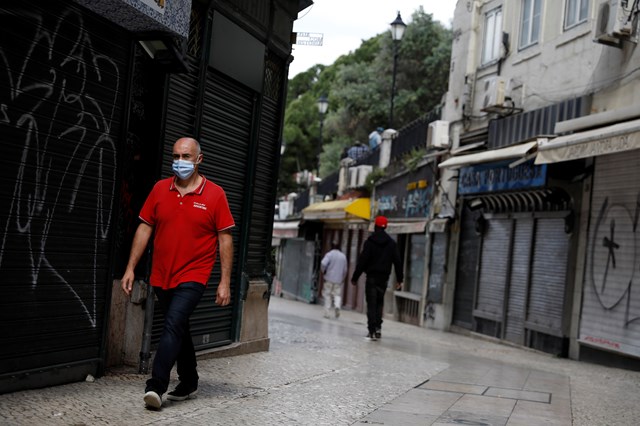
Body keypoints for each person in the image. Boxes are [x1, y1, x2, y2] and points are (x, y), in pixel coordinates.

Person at [121, 137, 235, 409]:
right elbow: (145, 228)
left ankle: (156, 387)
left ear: (199, 159)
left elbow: (225, 239)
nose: (180, 162)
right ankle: (189, 380)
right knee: (179, 327)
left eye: (186, 156)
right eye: (176, 156)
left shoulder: (215, 194)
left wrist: (225, 282)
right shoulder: (160, 189)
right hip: (162, 274)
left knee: (172, 324)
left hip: (194, 276)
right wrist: (130, 267)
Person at [351, 216, 403, 341]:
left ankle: (371, 330)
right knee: (379, 303)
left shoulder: (370, 242)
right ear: (386, 227)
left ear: (375, 226)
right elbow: (398, 262)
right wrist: (400, 279)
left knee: (371, 304)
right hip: (384, 279)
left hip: (372, 278)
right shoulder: (391, 244)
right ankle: (378, 328)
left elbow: (363, 261)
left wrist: (355, 277)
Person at [320, 241, 348, 319]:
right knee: (337, 295)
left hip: (328, 278)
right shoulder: (343, 256)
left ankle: (327, 313)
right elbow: (345, 270)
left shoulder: (329, 254)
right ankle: (337, 306)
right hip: (338, 280)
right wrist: (343, 278)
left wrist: (324, 271)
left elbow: (323, 263)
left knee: (328, 295)